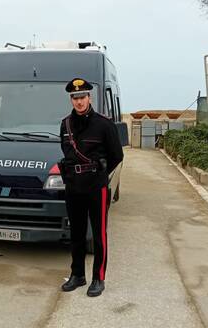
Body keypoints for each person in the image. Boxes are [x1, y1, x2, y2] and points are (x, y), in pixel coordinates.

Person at [58, 78, 124, 297]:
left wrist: (99, 174)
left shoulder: (104, 124)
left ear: (89, 97)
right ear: (71, 99)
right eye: (75, 98)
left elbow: (117, 155)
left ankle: (98, 278)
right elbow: (66, 152)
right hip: (73, 187)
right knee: (76, 233)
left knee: (98, 235)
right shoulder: (65, 124)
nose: (79, 101)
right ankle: (77, 275)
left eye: (82, 97)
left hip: (96, 187)